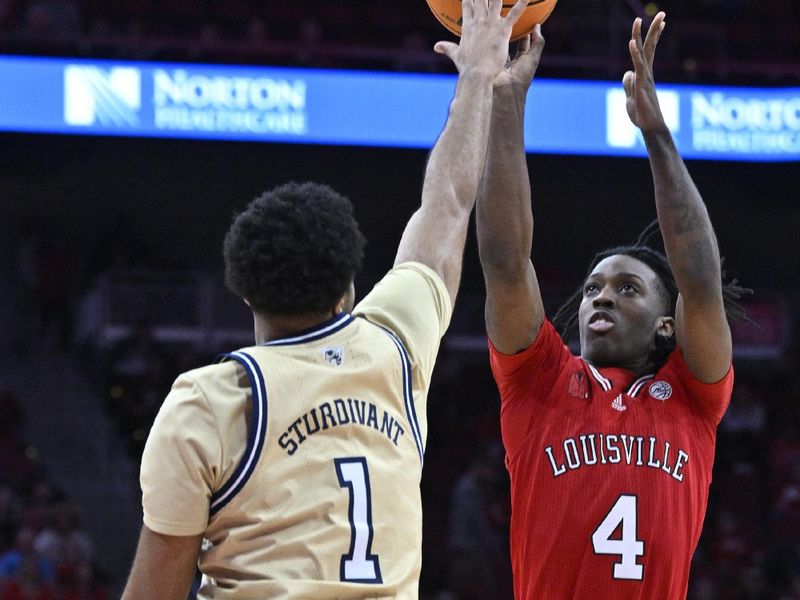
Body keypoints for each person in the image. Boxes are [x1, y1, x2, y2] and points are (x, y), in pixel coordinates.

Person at [121, 0, 529, 598]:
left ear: (245, 293)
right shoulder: (393, 346)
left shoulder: (207, 403)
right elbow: (447, 202)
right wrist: (477, 77)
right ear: (349, 290)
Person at [476, 12, 748, 599]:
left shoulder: (693, 398)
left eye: (629, 288)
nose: (602, 295)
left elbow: (700, 280)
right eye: (596, 286)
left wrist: (655, 133)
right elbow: (504, 262)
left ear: (667, 325)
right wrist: (505, 104)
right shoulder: (538, 381)